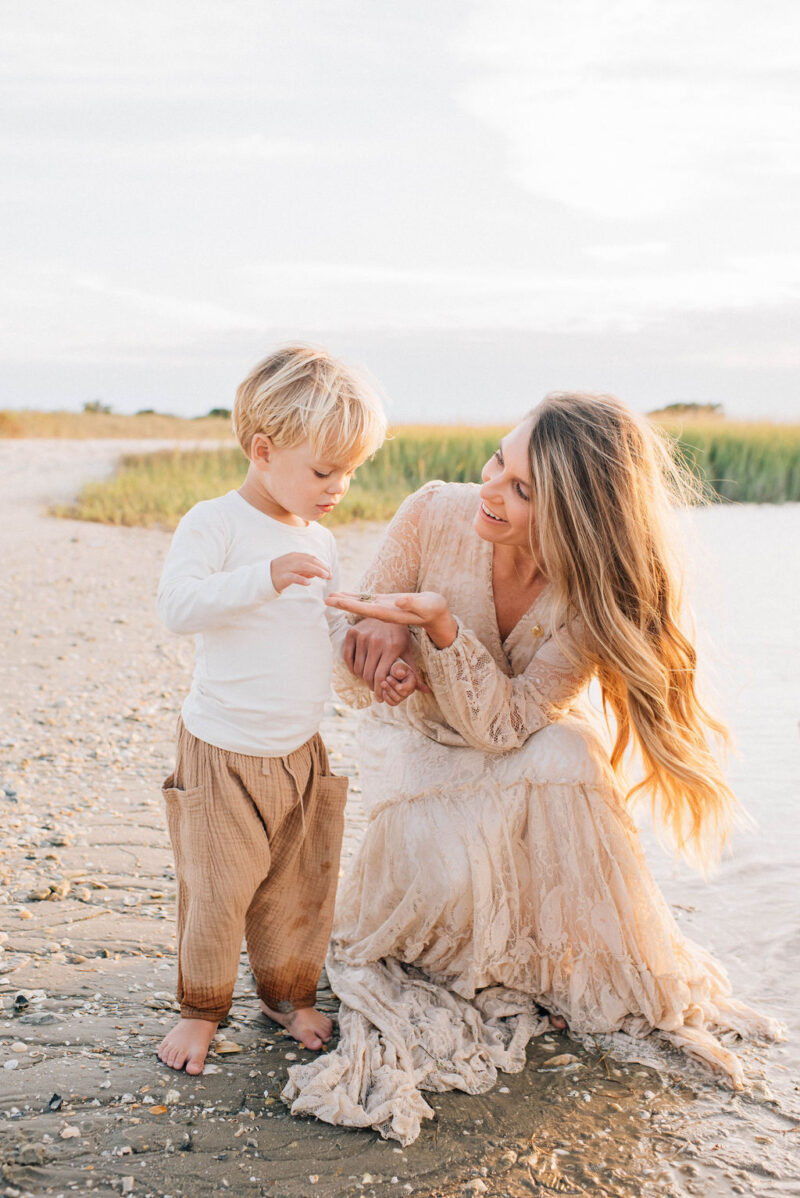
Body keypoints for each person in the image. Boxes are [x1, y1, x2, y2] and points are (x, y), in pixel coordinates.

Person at [282, 392, 782, 1145]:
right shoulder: (430, 512)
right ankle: (464, 948)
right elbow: (354, 672)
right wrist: (374, 643)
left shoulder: (588, 596)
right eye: (497, 460)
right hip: (417, 739)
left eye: (521, 490)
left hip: (503, 741)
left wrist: (443, 632)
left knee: (569, 749)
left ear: (576, 519)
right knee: (451, 862)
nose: (490, 488)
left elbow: (507, 725)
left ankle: (542, 957)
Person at [155, 345, 387, 1075]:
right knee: (219, 888)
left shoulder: (320, 539)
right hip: (223, 747)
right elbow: (177, 607)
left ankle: (286, 995)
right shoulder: (216, 523)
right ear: (263, 450)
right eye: (325, 471)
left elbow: (325, 628)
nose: (339, 487)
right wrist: (262, 576)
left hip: (300, 750)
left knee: (299, 884)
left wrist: (372, 649)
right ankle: (201, 1009)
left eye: (351, 472)